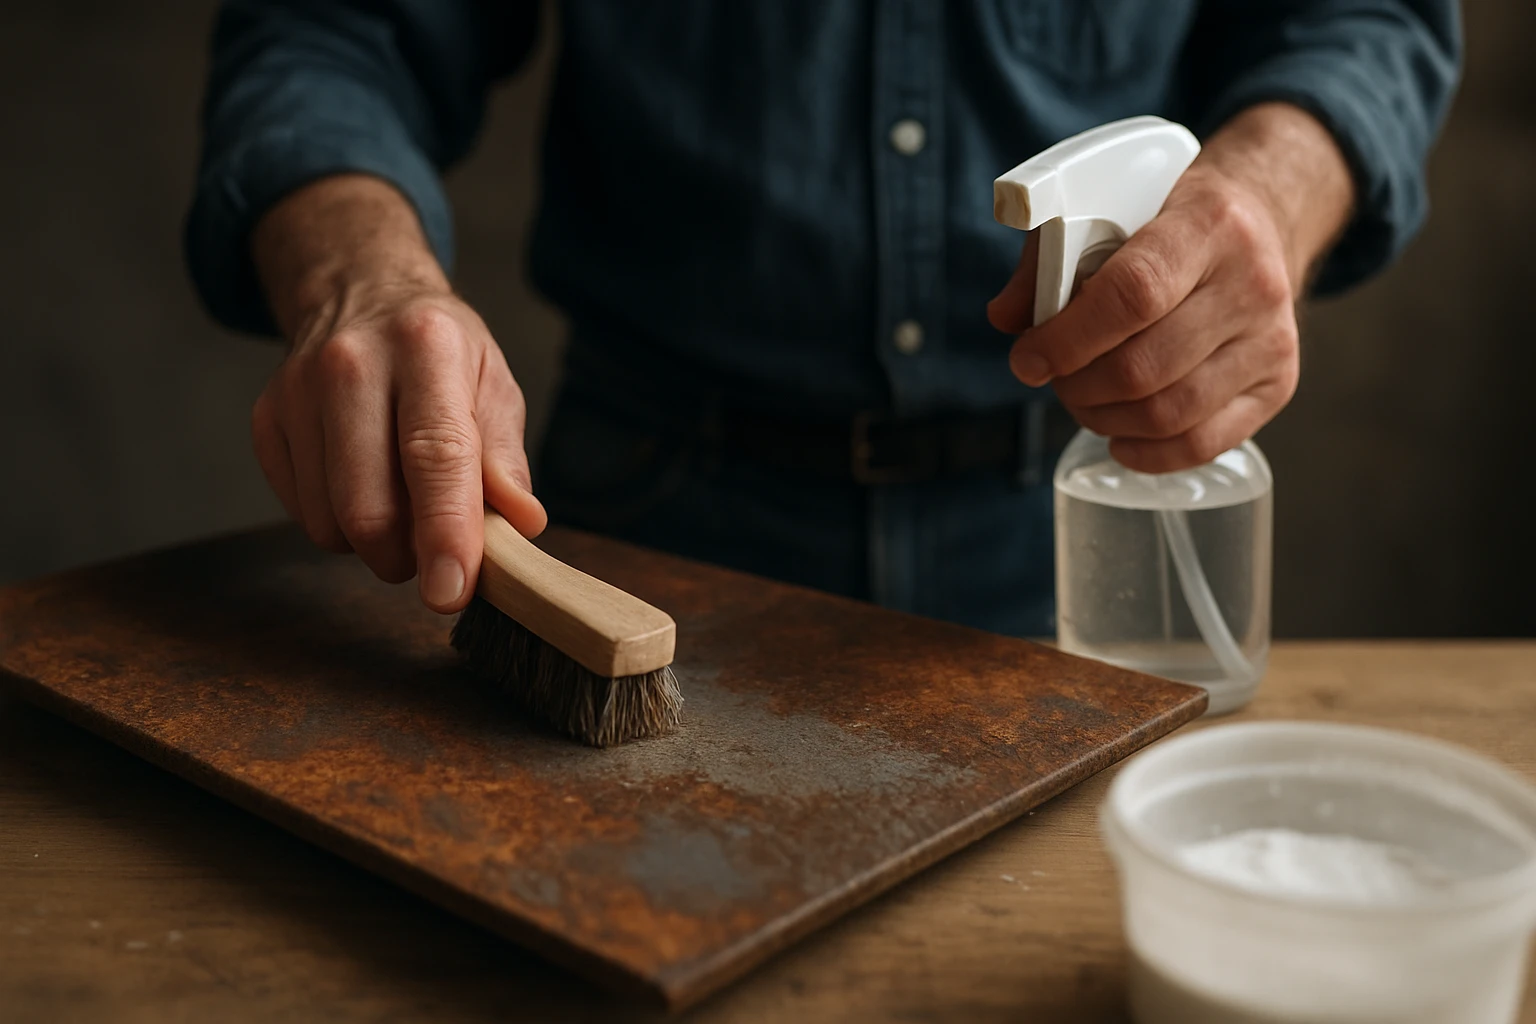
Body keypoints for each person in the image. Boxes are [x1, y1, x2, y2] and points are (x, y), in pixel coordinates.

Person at [186, 2, 1459, 637]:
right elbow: (330, 30)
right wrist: (363, 274)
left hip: (1081, 521)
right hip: (647, 515)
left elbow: (1366, 15)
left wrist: (1273, 188)